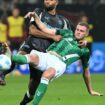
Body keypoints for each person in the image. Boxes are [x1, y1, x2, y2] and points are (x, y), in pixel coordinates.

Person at [0, 0, 87, 105]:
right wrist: (52, 36)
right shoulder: (38, 12)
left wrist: (84, 41)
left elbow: (75, 34)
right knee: (19, 56)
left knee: (32, 88)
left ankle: (23, 102)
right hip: (31, 43)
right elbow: (32, 31)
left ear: (57, 2)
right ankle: (2, 74)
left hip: (45, 53)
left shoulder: (63, 21)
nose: (47, 1)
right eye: (46, 0)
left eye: (51, 0)